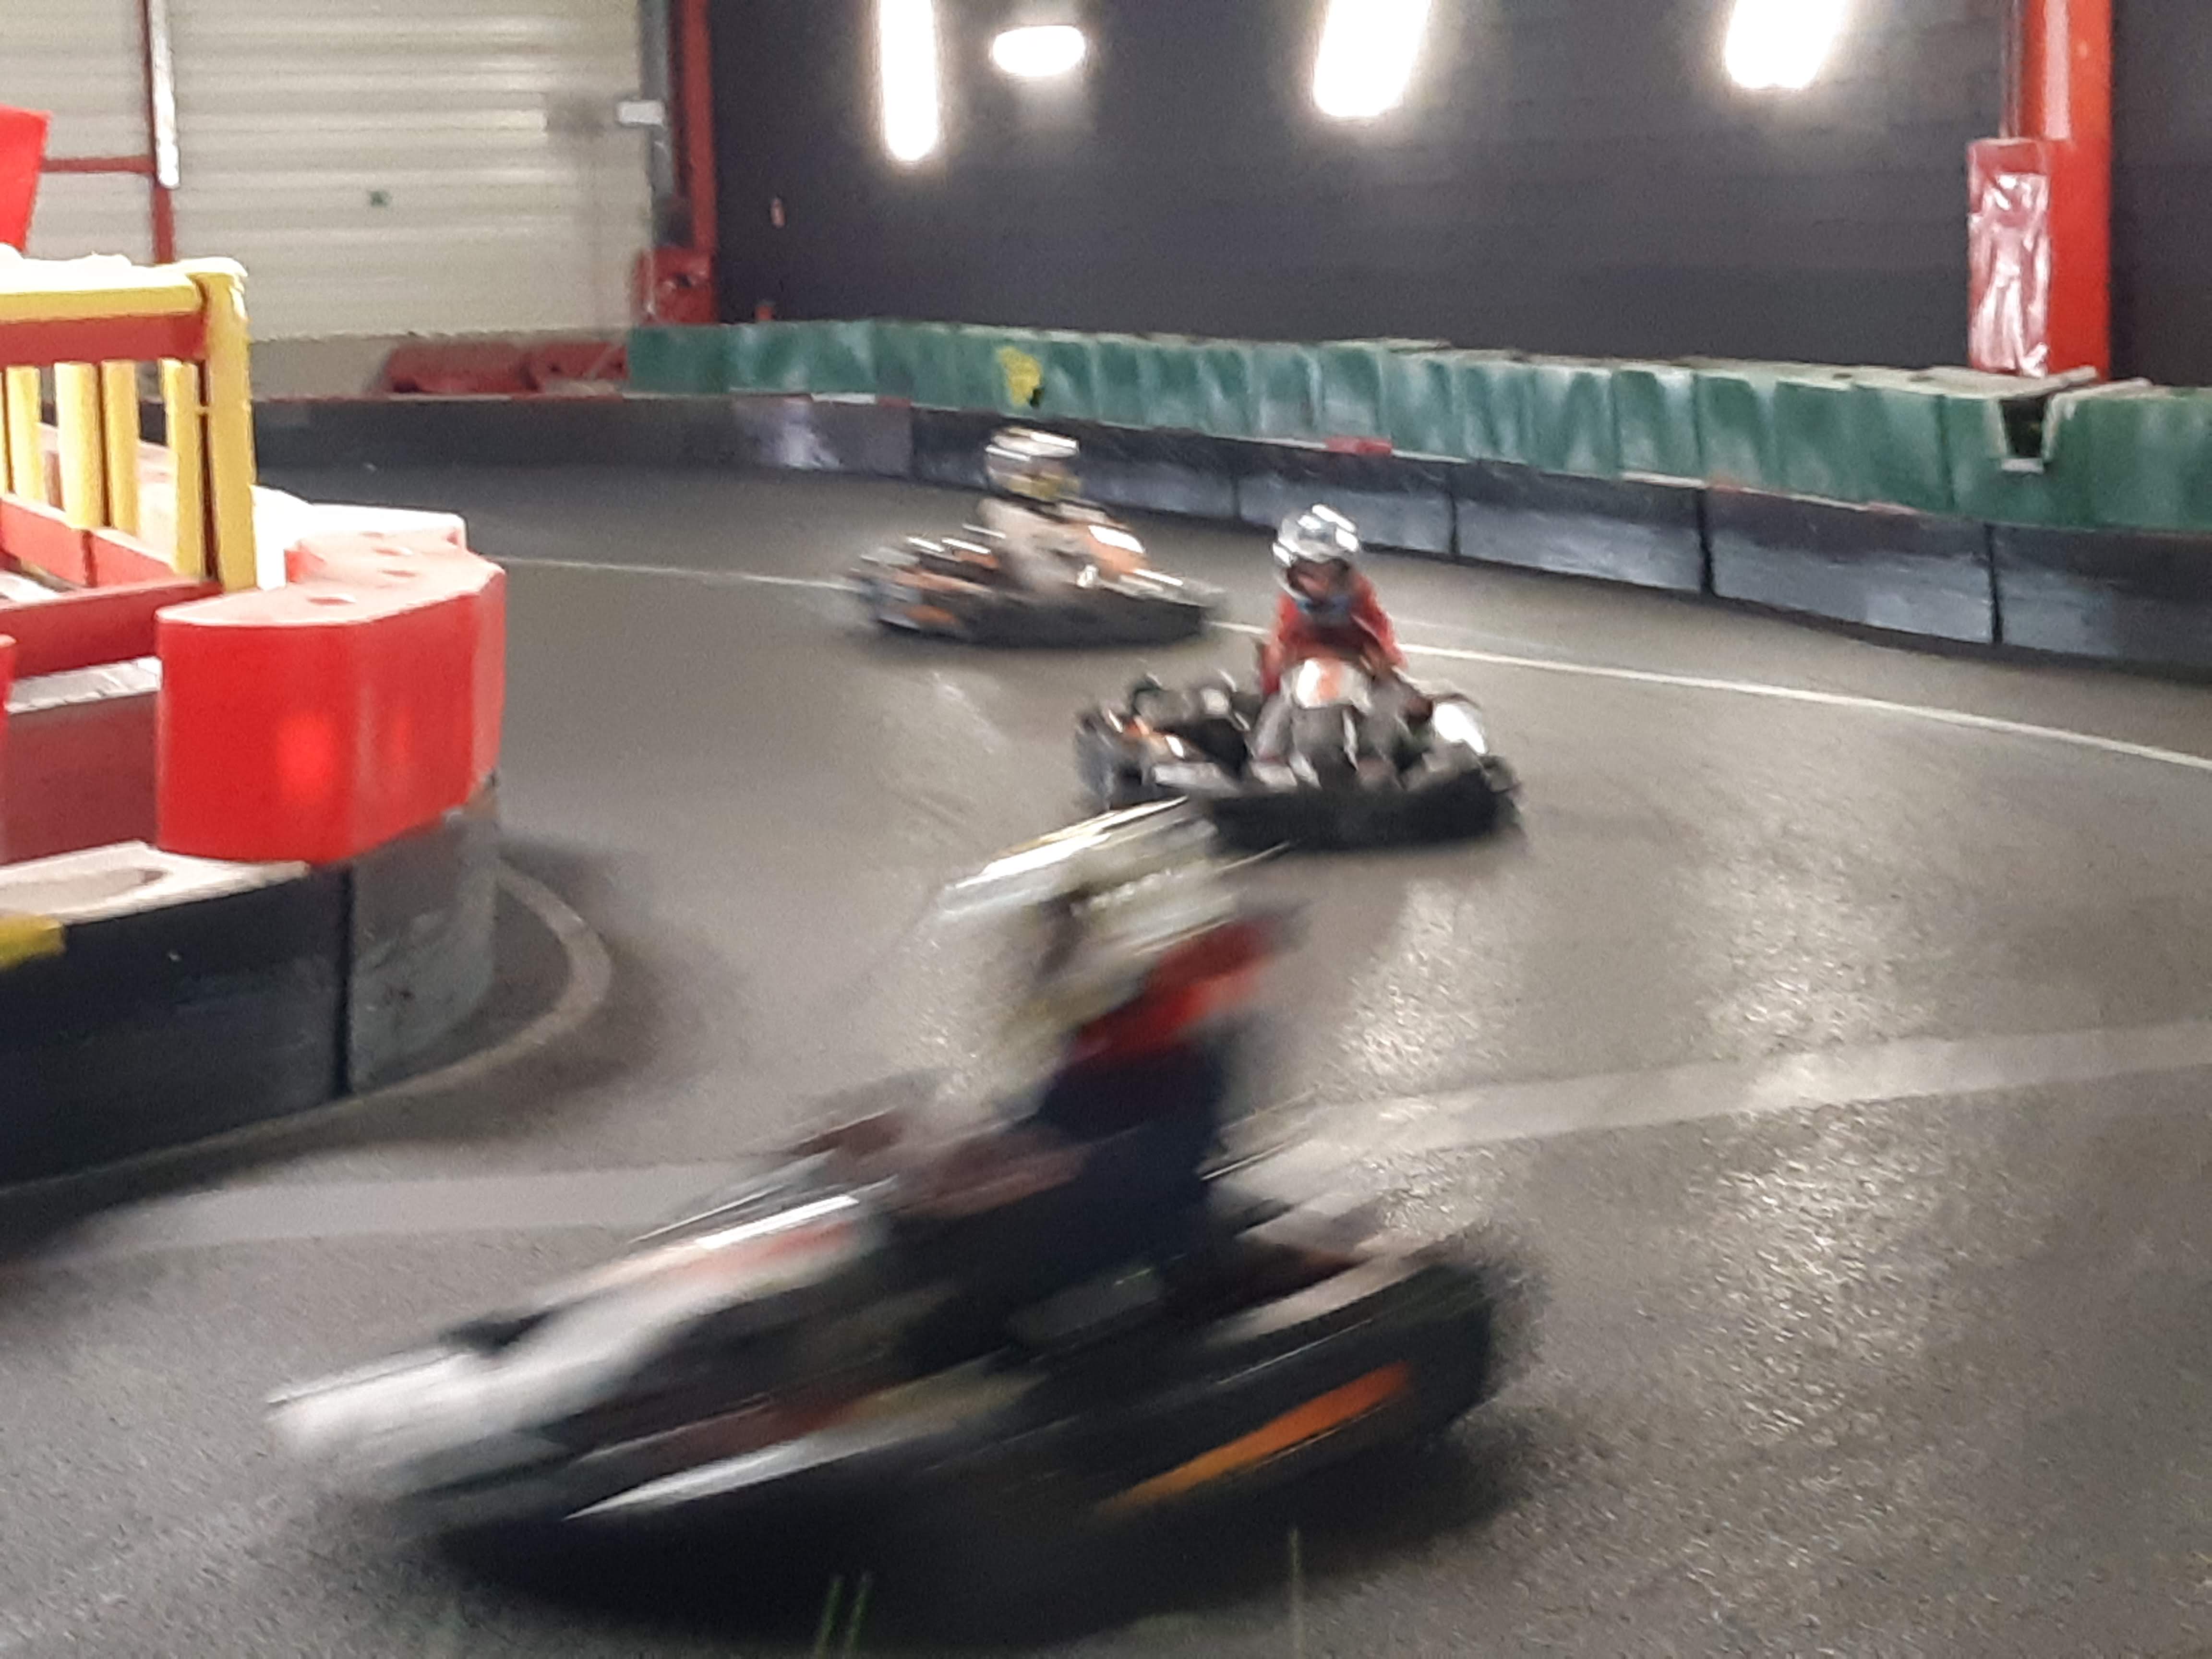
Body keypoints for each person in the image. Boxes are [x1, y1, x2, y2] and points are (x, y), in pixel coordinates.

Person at [894, 803, 1285, 1355]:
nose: (1047, 949)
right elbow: (1057, 1118)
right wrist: (972, 1152)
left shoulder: (1171, 1059)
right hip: (1101, 1187)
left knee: (959, 1317)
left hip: (1126, 1241)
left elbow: (1129, 1171)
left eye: (1066, 929)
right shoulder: (1097, 1047)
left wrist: (1031, 1170)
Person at [1252, 505, 1422, 768]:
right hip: (1304, 685)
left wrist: (1372, 668)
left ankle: (1377, 757)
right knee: (1279, 705)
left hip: (1360, 682)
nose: (1322, 584)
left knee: (1389, 704)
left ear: (1346, 573)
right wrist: (1281, 666)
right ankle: (1270, 758)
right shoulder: (1291, 607)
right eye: (1310, 574)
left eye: (1330, 573)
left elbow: (1383, 658)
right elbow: (1278, 662)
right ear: (1292, 575)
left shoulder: (1361, 601)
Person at [973, 426, 1144, 588]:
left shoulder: (1077, 511)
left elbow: (1127, 553)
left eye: (1060, 466)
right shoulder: (1001, 515)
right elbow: (1037, 574)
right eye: (1050, 466)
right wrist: (1086, 543)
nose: (1060, 473)